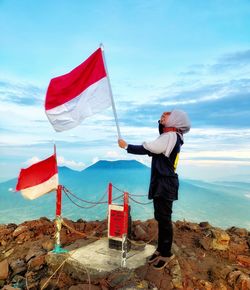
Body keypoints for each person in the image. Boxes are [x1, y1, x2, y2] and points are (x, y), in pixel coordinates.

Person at [118, 110, 190, 270]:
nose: (162, 117)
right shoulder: (171, 136)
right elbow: (157, 144)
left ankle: (166, 253)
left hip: (165, 183)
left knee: (164, 219)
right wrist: (161, 123)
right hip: (163, 182)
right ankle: (161, 249)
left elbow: (150, 148)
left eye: (166, 116)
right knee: (161, 217)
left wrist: (127, 146)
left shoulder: (170, 137)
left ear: (176, 120)